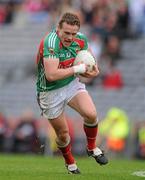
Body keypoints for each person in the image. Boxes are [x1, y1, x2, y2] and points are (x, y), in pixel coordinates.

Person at [36, 12, 108, 174]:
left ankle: (91, 148)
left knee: (91, 114)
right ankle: (70, 163)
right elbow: (51, 75)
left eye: (73, 33)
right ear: (58, 29)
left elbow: (91, 62)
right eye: (66, 33)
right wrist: (79, 69)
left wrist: (92, 71)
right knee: (63, 134)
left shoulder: (81, 39)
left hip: (70, 84)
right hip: (49, 91)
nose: (70, 37)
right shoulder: (51, 42)